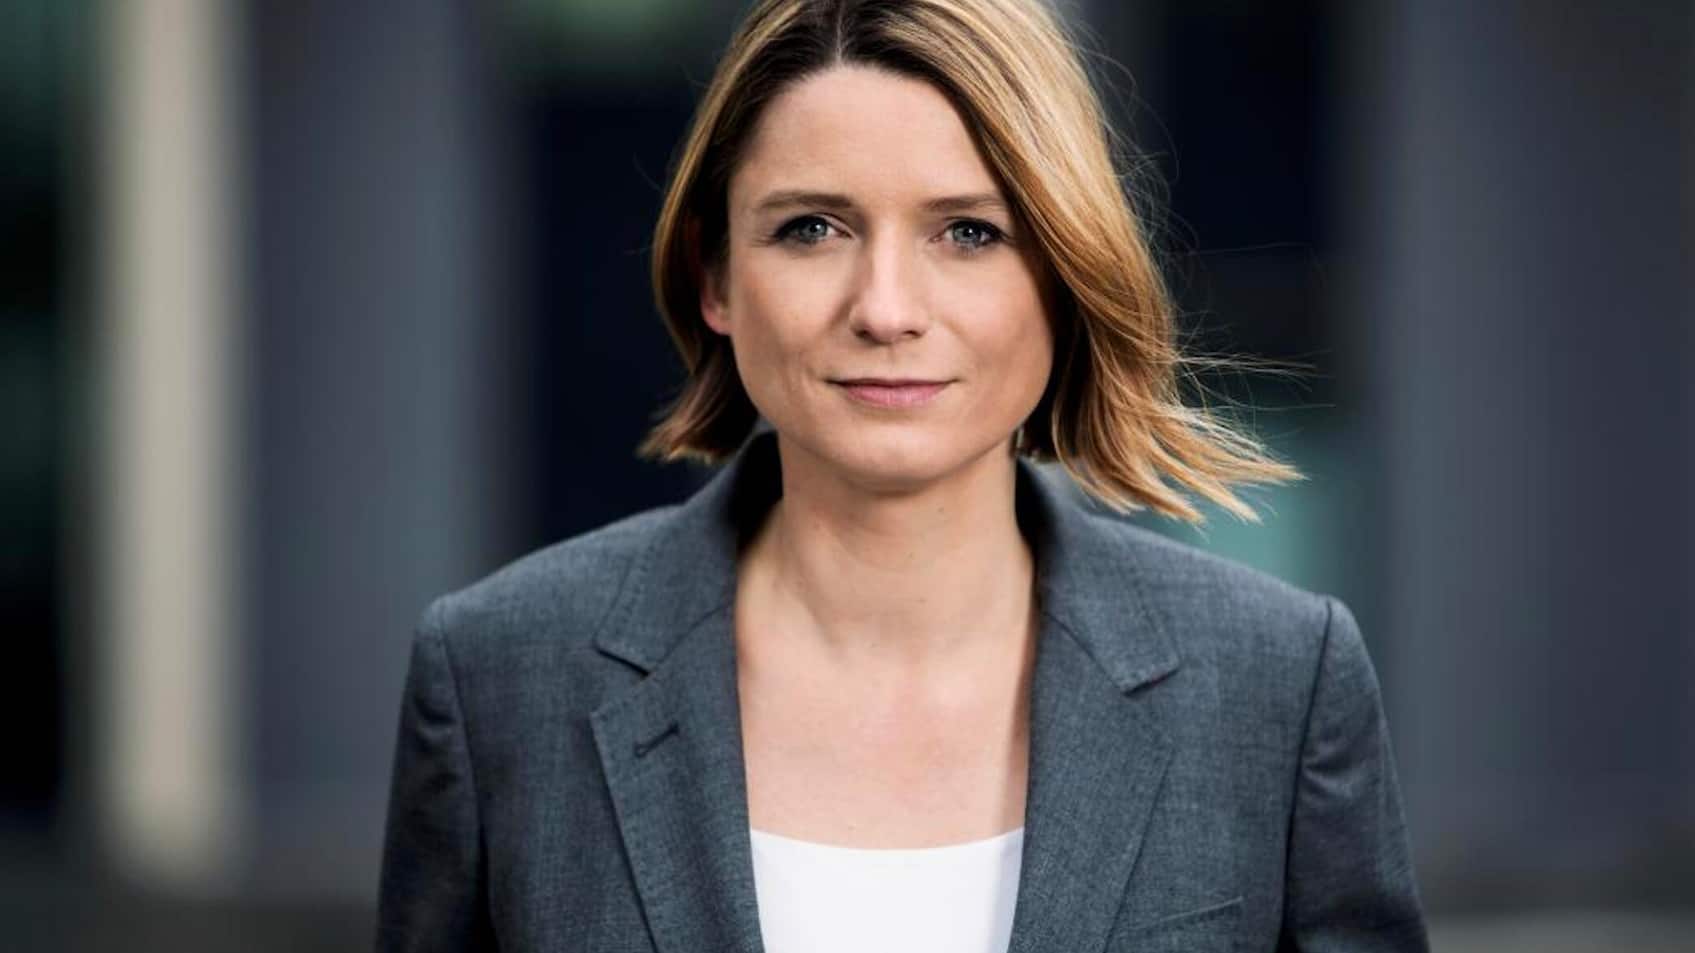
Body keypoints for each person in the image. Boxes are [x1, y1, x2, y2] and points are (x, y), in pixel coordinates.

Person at [375, 0, 1429, 950]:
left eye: (969, 232)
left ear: (1065, 273)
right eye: (812, 228)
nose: (885, 308)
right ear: (714, 275)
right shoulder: (499, 675)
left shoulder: (1275, 684)